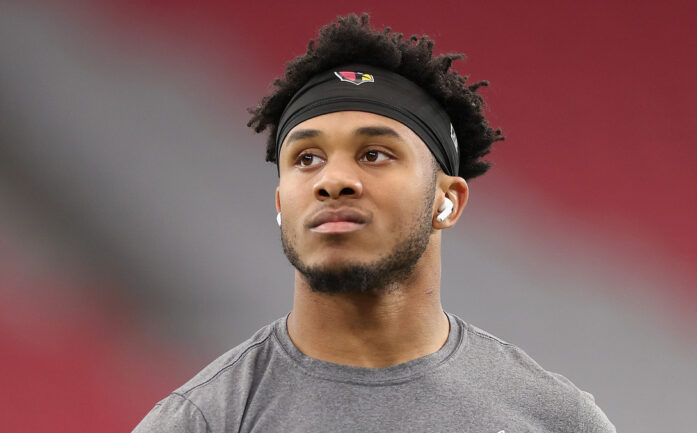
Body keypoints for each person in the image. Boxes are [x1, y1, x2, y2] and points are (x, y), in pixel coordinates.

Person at [134, 13, 615, 433]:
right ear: (281, 204)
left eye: (374, 154)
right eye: (306, 158)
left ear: (448, 201)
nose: (333, 181)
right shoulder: (203, 420)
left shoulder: (553, 419)